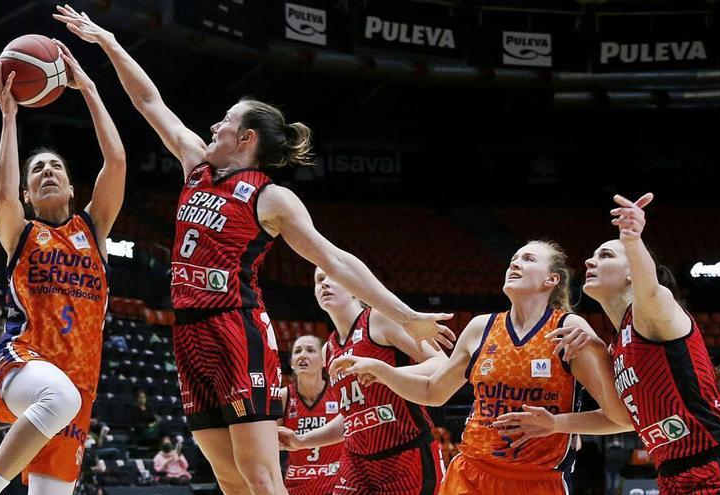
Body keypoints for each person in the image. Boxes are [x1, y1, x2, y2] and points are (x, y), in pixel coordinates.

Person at [55, 6, 454, 495]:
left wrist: (407, 315)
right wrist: (108, 42)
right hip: (188, 332)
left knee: (260, 474)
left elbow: (335, 260)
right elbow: (148, 100)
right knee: (228, 476)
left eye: (225, 122)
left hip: (235, 328)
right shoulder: (195, 165)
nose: (213, 125)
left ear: (245, 138)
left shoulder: (271, 197)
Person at [496, 194, 720, 494]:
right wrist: (555, 424)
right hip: (673, 476)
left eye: (606, 256)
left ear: (632, 273)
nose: (590, 260)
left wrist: (632, 240)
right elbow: (623, 420)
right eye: (594, 255)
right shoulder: (616, 345)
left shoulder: (656, 310)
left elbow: (650, 289)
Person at [330, 241, 632, 494]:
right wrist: (383, 371)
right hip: (470, 474)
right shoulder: (480, 328)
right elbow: (432, 392)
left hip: (536, 480)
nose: (514, 264)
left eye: (527, 259)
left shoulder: (567, 328)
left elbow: (619, 419)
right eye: (513, 259)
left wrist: (556, 424)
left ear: (551, 280)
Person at [0, 39, 126, 495]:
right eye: (36, 169)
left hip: (80, 385)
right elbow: (3, 196)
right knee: (57, 396)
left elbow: (116, 161)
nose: (45, 172)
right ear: (27, 194)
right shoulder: (21, 234)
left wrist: (90, 89)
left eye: (55, 167)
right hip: (23, 363)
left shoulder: (93, 230)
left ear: (72, 187)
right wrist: (9, 118)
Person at [279, 268, 449, 495]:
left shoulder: (379, 319)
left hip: (405, 455)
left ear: (354, 288)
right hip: (357, 463)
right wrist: (302, 441)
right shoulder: (329, 349)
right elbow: (350, 417)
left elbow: (442, 364)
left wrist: (386, 373)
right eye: (319, 280)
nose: (324, 284)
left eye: (333, 276)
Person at [278, 335, 343, 495]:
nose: (303, 355)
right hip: (296, 486)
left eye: (310, 350)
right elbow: (271, 448)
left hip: (338, 483)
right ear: (292, 363)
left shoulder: (338, 391)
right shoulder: (283, 397)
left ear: (324, 361)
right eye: (297, 351)